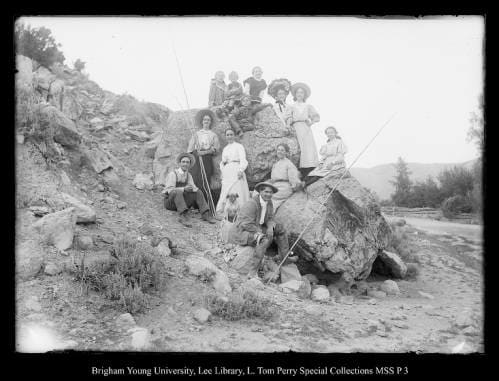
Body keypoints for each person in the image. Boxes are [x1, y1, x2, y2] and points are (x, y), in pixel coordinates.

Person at [227, 182, 297, 278]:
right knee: (263, 240)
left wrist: (270, 227)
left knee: (281, 229)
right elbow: (245, 224)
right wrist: (259, 231)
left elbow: (270, 218)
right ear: (260, 191)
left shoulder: (269, 202)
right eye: (266, 192)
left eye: (271, 192)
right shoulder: (251, 204)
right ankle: (253, 271)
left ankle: (284, 258)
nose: (268, 194)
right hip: (243, 231)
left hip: (257, 227)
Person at [162, 152, 217, 227]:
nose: (185, 164)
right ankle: (183, 216)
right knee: (177, 191)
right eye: (183, 162)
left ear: (189, 164)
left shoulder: (189, 175)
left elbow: (193, 188)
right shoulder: (173, 174)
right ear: (180, 163)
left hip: (182, 202)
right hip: (171, 203)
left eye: (187, 162)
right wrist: (184, 189)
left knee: (198, 192)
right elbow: (169, 190)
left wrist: (192, 189)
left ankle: (205, 213)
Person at [283, 82, 320, 178]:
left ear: (304, 95)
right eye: (298, 92)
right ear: (295, 94)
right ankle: (300, 171)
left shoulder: (308, 106)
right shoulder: (291, 106)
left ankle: (310, 170)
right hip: (295, 127)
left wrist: (311, 122)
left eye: (302, 93)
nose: (299, 94)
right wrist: (288, 124)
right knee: (299, 148)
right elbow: (288, 117)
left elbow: (316, 117)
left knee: (309, 149)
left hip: (305, 128)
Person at [187, 109, 220, 203]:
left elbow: (216, 149)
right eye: (205, 119)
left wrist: (205, 152)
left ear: (210, 122)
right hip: (196, 158)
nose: (206, 121)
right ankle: (194, 203)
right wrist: (195, 153)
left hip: (207, 159)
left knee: (205, 179)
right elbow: (190, 148)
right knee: (195, 178)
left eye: (208, 120)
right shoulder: (196, 134)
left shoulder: (213, 135)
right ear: (202, 121)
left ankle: (204, 203)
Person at [216, 128, 251, 215]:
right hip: (227, 171)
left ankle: (240, 211)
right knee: (226, 190)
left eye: (231, 134)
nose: (229, 136)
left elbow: (243, 159)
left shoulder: (239, 146)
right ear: (225, 136)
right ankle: (228, 212)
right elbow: (223, 162)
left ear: (234, 136)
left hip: (236, 168)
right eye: (227, 135)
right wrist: (222, 171)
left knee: (237, 189)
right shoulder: (225, 149)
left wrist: (241, 170)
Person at [269, 143, 303, 210]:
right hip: (275, 186)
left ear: (286, 152)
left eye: (282, 150)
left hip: (284, 188)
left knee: (267, 197)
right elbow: (272, 179)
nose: (280, 152)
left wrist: (295, 188)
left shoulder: (289, 164)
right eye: (278, 150)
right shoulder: (276, 164)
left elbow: (294, 179)